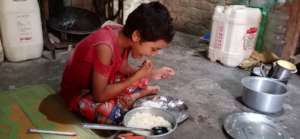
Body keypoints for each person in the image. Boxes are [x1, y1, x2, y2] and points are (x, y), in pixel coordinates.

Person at [59, 1, 175, 124]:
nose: (154, 54)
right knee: (112, 114)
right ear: (136, 36)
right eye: (153, 49)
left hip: (99, 82)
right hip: (78, 94)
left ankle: (135, 95)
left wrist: (149, 73)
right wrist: (136, 76)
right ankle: (136, 95)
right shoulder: (105, 46)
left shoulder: (122, 34)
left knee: (134, 79)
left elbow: (122, 66)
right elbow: (99, 96)